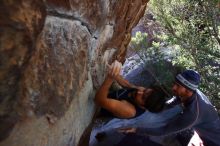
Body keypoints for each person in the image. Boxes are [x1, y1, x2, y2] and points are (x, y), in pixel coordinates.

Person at [120, 70, 220, 146]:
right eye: (175, 83)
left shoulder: (192, 114)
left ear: (188, 90)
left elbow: (164, 130)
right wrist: (160, 106)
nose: (173, 88)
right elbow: (177, 99)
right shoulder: (191, 92)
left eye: (178, 86)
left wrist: (137, 129)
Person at [95, 60, 167, 119]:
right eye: (145, 90)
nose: (139, 92)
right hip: (105, 96)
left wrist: (110, 78)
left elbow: (99, 101)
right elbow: (127, 84)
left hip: (96, 108)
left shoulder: (129, 111)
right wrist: (113, 69)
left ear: (144, 107)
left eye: (143, 97)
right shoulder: (139, 91)